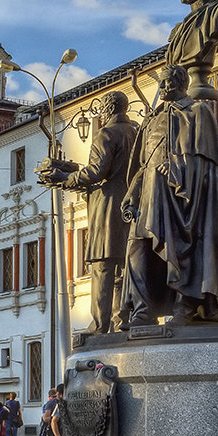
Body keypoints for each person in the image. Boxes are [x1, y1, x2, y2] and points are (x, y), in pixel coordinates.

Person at [121, 63, 218, 326]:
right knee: (137, 247)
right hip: (148, 192)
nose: (162, 87)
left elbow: (208, 161)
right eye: (161, 83)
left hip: (180, 194)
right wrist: (132, 192)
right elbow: (143, 164)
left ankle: (186, 304)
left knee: (178, 248)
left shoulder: (197, 111)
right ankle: (142, 309)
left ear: (180, 84)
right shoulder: (153, 118)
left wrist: (178, 168)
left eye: (168, 82)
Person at [39, 91, 140, 334]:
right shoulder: (136, 132)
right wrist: (75, 170)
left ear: (108, 109)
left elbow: (97, 173)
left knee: (102, 267)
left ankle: (99, 325)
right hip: (131, 205)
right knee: (124, 267)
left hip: (106, 208)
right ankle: (122, 319)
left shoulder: (106, 133)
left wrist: (65, 177)